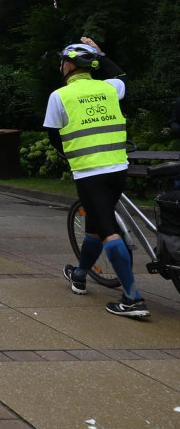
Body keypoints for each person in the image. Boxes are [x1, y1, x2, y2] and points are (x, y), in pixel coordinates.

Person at [52, 39, 146, 317]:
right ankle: (80, 274)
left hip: (89, 172)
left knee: (106, 228)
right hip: (118, 168)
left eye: (62, 61)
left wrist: (70, 155)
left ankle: (133, 298)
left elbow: (53, 134)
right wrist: (101, 54)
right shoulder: (109, 87)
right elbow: (122, 77)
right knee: (94, 223)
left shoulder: (59, 96)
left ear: (68, 65)